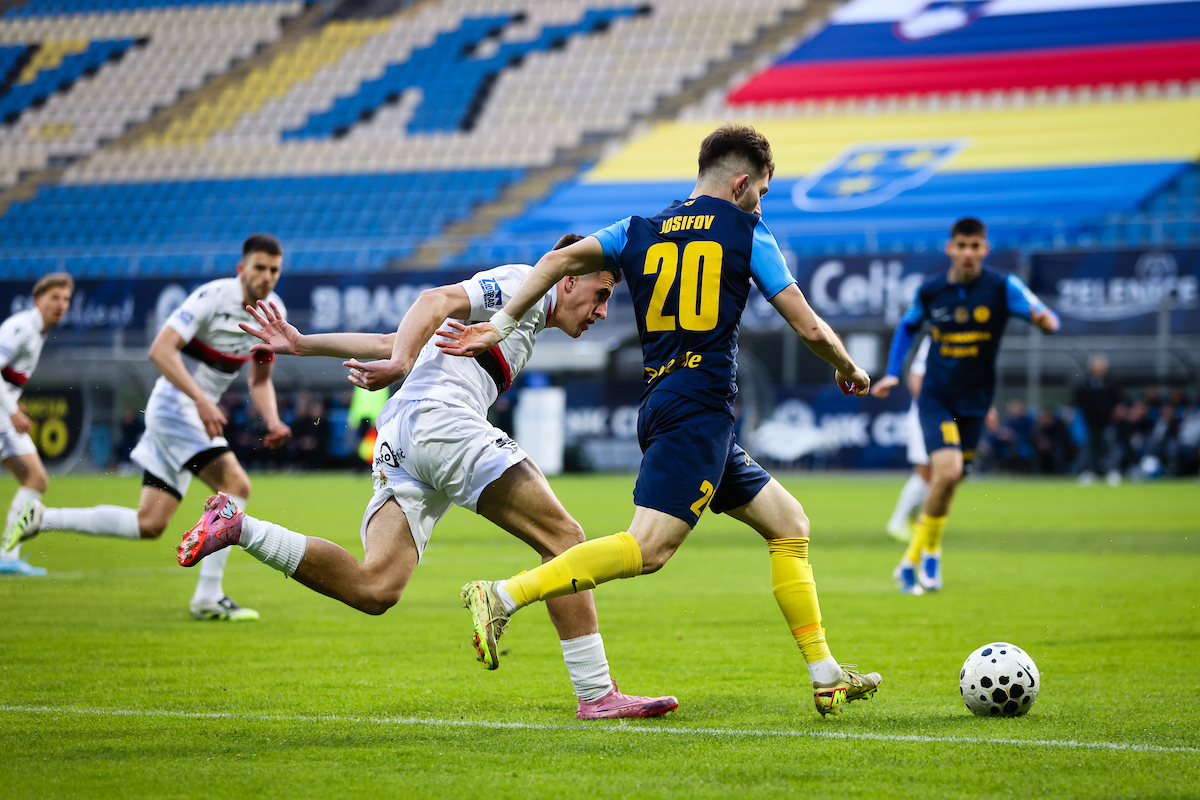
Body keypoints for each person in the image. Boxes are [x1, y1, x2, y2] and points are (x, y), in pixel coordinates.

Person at [441, 124, 881, 717]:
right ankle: (501, 595)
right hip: (699, 411)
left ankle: (826, 674)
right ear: (742, 183)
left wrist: (500, 324)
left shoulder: (636, 229)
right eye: (761, 192)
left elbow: (556, 261)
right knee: (647, 550)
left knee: (788, 523)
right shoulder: (748, 231)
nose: (760, 205)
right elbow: (806, 324)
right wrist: (849, 367)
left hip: (670, 405)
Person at [177, 236, 679, 720]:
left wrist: (304, 344)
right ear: (568, 278)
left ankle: (239, 527)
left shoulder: (519, 315)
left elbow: (392, 339)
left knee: (375, 587)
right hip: (441, 422)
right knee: (565, 539)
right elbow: (432, 300)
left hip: (402, 438)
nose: (602, 312)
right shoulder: (521, 283)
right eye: (601, 294)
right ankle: (596, 693)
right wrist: (398, 363)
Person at [3, 235, 292, 620]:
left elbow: (259, 380)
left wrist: (272, 420)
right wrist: (201, 399)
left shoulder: (274, 311)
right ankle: (208, 597)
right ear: (241, 269)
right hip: (176, 406)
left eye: (274, 270)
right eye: (259, 267)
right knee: (236, 486)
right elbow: (160, 349)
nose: (267, 276)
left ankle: (43, 517)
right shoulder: (211, 297)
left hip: (189, 413)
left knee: (150, 523)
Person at [871, 217, 1059, 595]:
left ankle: (910, 561)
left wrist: (1043, 322)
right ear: (950, 248)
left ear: (985, 249)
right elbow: (907, 327)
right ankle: (931, 555)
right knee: (948, 471)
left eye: (975, 246)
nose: (968, 253)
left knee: (951, 483)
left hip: (976, 401)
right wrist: (892, 373)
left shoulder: (1003, 287)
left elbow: (1049, 320)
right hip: (937, 398)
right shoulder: (931, 290)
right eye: (962, 246)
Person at [0, 273, 73, 576]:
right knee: (36, 479)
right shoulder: (22, 328)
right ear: (38, 300)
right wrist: (12, 412)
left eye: (66, 299)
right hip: (3, 417)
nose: (61, 304)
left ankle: (7, 556)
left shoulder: (38, 331)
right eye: (54, 298)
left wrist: (13, 404)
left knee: (36, 479)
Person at [884, 335, 930, 541]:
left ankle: (916, 518)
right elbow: (915, 379)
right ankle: (897, 522)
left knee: (945, 474)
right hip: (927, 416)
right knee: (926, 472)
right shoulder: (936, 338)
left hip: (948, 416)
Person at [1073, 354, 1123, 486]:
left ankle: (1112, 471)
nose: (1098, 368)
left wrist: (1117, 410)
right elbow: (1078, 399)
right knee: (1088, 448)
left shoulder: (1112, 381)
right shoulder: (1085, 381)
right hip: (1089, 421)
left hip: (1107, 421)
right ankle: (1088, 472)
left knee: (1109, 446)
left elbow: (1118, 399)